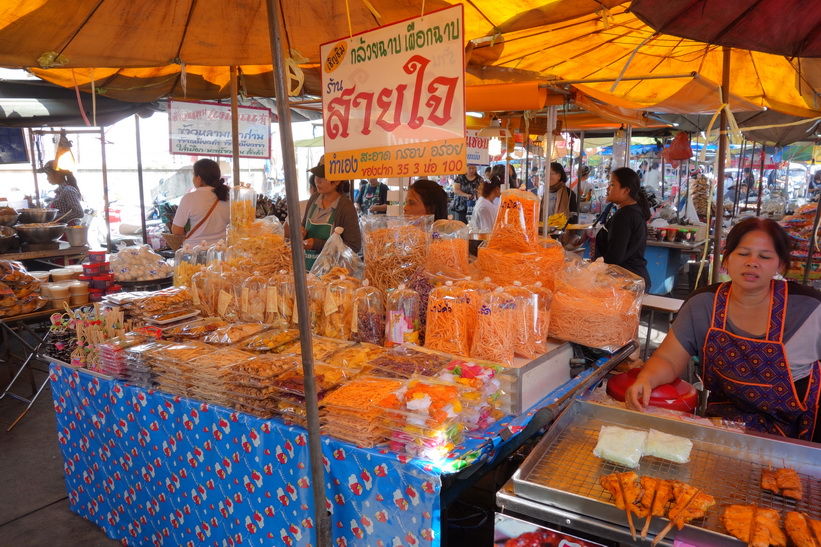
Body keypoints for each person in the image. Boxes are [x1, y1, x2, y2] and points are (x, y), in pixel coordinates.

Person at [626, 218, 821, 442]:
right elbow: (669, 359)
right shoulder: (704, 304)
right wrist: (647, 379)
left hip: (795, 436)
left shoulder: (809, 308)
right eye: (743, 253)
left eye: (765, 256)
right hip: (723, 427)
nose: (752, 262)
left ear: (780, 266)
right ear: (726, 259)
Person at [289, 156, 361, 269]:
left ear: (337, 180)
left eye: (323, 177)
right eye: (317, 176)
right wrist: (301, 231)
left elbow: (353, 247)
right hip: (307, 269)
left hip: (330, 273)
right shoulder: (314, 199)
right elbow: (303, 226)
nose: (317, 180)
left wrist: (318, 244)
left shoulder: (346, 208)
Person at [592, 167, 651, 288]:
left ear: (626, 190)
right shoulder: (632, 212)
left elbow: (614, 258)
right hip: (632, 280)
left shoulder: (624, 216)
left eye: (612, 184)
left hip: (625, 283)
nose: (607, 188)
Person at [171, 158, 230, 246]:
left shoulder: (189, 198)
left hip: (196, 250)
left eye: (193, 175)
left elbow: (176, 231)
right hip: (221, 250)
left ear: (199, 178)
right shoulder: (227, 197)